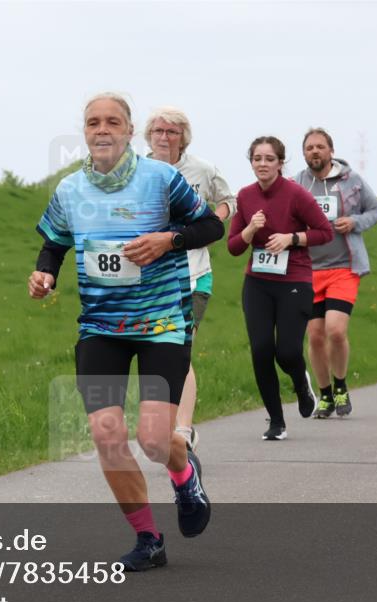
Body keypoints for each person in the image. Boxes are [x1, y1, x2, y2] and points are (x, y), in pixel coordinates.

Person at [28, 93, 223, 571]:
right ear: (85, 131)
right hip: (101, 326)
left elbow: (210, 227)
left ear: (129, 131)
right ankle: (148, 538)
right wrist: (45, 273)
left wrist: (168, 240)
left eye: (112, 121)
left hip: (161, 324)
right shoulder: (70, 189)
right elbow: (54, 243)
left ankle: (184, 474)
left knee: (155, 441)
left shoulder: (162, 179)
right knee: (106, 433)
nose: (102, 129)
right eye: (93, 122)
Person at [227, 136, 333, 440]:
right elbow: (233, 247)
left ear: (280, 163)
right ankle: (276, 421)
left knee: (287, 352)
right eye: (257, 158)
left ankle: (301, 383)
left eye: (269, 159)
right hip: (258, 282)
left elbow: (324, 232)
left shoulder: (296, 194)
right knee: (261, 351)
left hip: (294, 281)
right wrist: (250, 229)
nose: (262, 164)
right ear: (251, 162)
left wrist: (292, 239)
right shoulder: (245, 196)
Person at [144, 106, 235, 452]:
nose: (164, 137)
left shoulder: (202, 169)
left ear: (183, 138)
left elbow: (228, 200)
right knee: (157, 352)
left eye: (172, 132)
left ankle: (183, 430)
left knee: (181, 348)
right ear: (148, 136)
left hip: (194, 275)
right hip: (151, 277)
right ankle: (164, 426)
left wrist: (212, 222)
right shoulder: (137, 171)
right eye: (158, 131)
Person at [293, 128, 377, 418]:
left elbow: (375, 210)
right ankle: (326, 394)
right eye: (309, 148)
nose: (315, 152)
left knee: (336, 330)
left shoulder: (351, 180)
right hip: (308, 270)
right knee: (315, 336)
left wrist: (354, 222)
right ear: (304, 153)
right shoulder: (297, 183)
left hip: (344, 267)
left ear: (331, 151)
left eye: (320, 146)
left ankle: (341, 385)